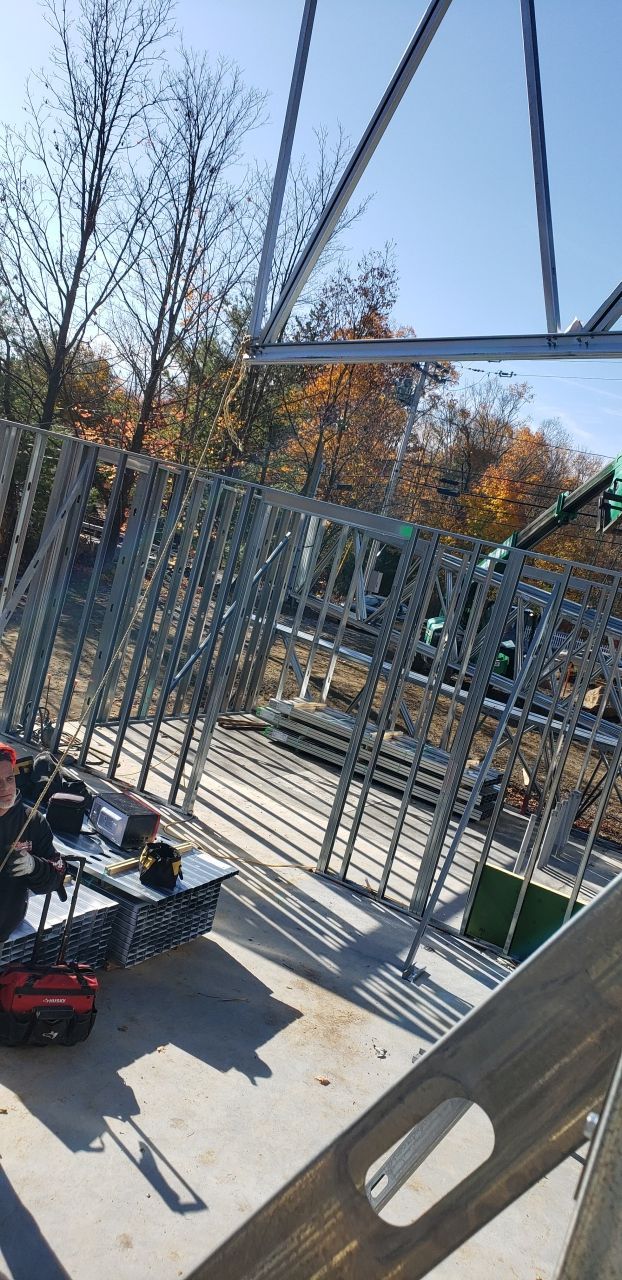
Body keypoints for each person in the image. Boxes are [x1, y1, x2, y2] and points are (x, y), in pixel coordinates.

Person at [0, 743, 67, 944]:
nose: (5, 788)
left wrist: (34, 866)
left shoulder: (33, 821)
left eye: (9, 779)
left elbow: (57, 876)